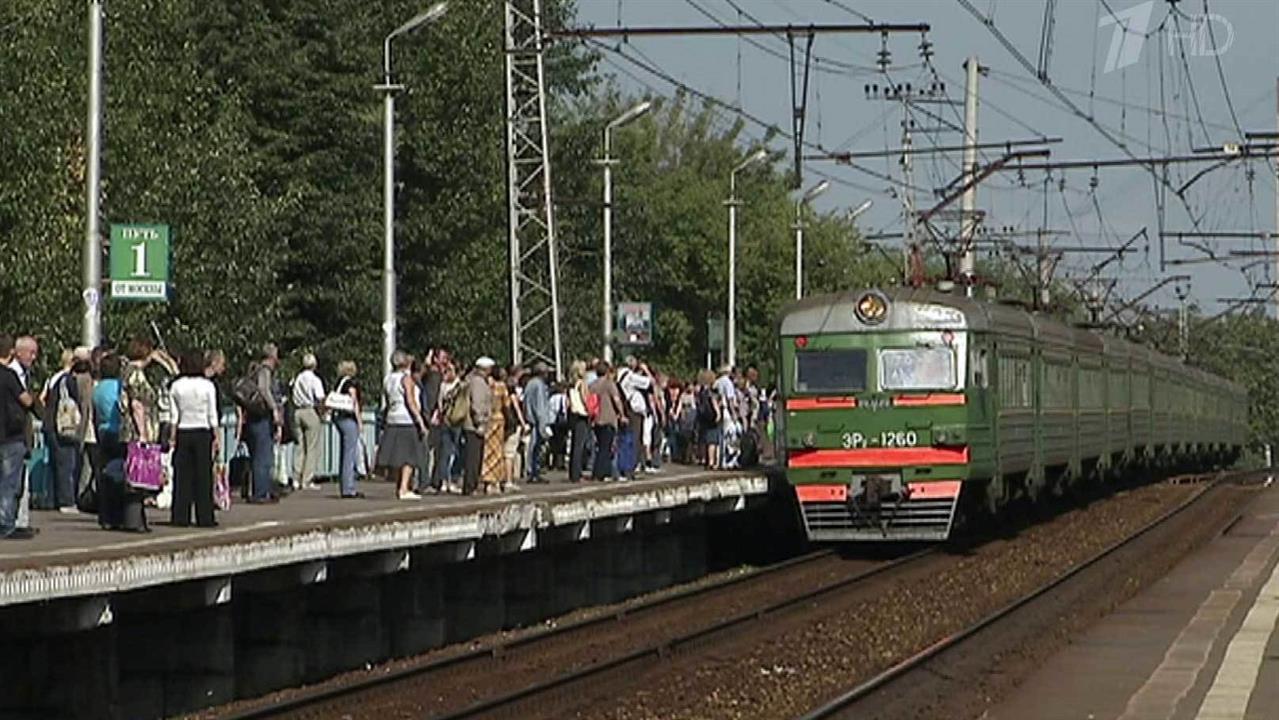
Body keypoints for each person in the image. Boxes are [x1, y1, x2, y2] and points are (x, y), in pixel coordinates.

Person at [118, 336, 176, 532]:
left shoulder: (126, 371)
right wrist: (143, 434)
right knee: (138, 476)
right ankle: (134, 520)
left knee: (137, 476)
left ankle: (136, 518)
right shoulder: (136, 375)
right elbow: (137, 405)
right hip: (137, 431)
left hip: (130, 430)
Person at [169, 351, 219, 527]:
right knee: (204, 475)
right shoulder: (207, 386)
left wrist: (172, 436)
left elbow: (174, 415)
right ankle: (205, 516)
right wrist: (216, 436)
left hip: (183, 430)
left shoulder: (176, 386)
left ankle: (180, 516)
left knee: (182, 476)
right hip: (202, 431)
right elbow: (212, 414)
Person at [376, 351, 428, 500]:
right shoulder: (407, 379)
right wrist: (420, 421)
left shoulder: (388, 379)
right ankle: (404, 488)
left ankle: (400, 486)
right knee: (409, 457)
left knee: (398, 455)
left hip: (392, 418)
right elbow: (411, 402)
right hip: (407, 420)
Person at [0, 335, 37, 540]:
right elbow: (26, 400)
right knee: (8, 482)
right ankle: (5, 523)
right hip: (10, 435)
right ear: (11, 352)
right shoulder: (9, 376)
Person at [240, 343, 283, 503]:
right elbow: (264, 389)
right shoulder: (265, 371)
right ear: (272, 356)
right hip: (262, 416)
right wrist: (274, 409)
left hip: (253, 416)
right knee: (263, 456)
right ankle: (261, 492)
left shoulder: (254, 369)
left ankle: (261, 489)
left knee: (258, 455)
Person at [93, 354, 124, 530]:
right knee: (118, 475)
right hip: (117, 431)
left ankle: (105, 515)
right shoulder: (118, 387)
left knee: (104, 475)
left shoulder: (98, 389)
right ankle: (118, 515)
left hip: (103, 431)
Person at [289, 353, 325, 491]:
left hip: (297, 411)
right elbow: (320, 397)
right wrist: (322, 413)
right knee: (311, 447)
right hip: (310, 411)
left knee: (299, 446)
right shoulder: (315, 380)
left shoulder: (297, 378)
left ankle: (296, 478)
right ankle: (307, 479)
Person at [461, 357, 495, 495]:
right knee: (474, 457)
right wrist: (480, 421)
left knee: (473, 456)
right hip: (474, 425)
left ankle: (471, 484)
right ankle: (470, 485)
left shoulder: (471, 380)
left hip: (471, 424)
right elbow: (477, 403)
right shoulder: (478, 383)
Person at [331, 361, 364, 499]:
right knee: (349, 453)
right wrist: (359, 420)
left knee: (345, 452)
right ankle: (348, 488)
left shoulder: (339, 382)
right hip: (348, 418)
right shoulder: (350, 383)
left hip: (338, 417)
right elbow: (353, 401)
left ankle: (345, 485)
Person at [589, 360, 625, 482]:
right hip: (608, 418)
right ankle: (601, 473)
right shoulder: (609, 384)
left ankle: (597, 471)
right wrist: (622, 413)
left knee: (600, 447)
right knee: (606, 447)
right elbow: (616, 400)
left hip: (596, 419)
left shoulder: (592, 385)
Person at [432, 361, 462, 493]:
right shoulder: (458, 386)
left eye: (449, 370)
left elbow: (440, 403)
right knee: (449, 452)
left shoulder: (447, 386)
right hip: (453, 421)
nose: (447, 373)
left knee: (451, 452)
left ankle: (448, 481)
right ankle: (448, 480)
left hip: (449, 420)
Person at [481, 366, 510, 494]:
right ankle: (496, 481)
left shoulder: (487, 385)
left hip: (488, 420)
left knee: (488, 452)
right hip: (499, 420)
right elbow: (506, 404)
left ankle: (487, 481)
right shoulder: (502, 387)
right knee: (498, 452)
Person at [522, 363, 553, 483]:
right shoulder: (539, 385)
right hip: (538, 421)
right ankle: (534, 472)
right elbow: (540, 406)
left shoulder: (530, 384)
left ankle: (532, 471)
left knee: (533, 447)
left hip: (531, 419)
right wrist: (543, 425)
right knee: (536, 448)